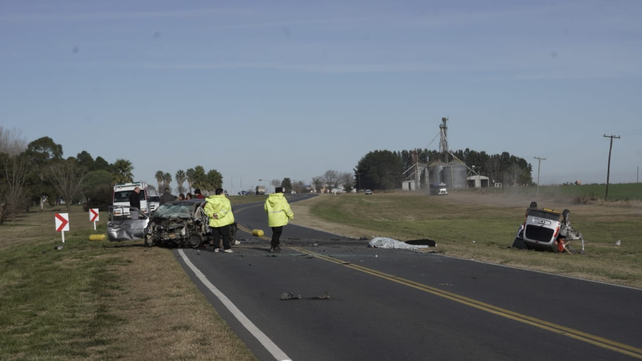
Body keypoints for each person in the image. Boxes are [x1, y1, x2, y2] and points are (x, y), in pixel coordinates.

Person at [204, 188, 234, 253]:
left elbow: (206, 209)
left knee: (216, 236)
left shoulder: (210, 201)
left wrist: (212, 215)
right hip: (223, 221)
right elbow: (225, 210)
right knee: (225, 235)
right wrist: (218, 215)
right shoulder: (225, 200)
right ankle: (226, 248)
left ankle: (216, 248)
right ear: (222, 193)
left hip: (214, 222)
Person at [264, 187, 294, 253]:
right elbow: (287, 208)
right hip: (279, 219)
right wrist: (291, 216)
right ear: (281, 192)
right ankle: (273, 246)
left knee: (275, 233)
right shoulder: (282, 199)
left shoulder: (269, 199)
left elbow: (265, 208)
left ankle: (276, 245)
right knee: (277, 233)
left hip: (272, 219)